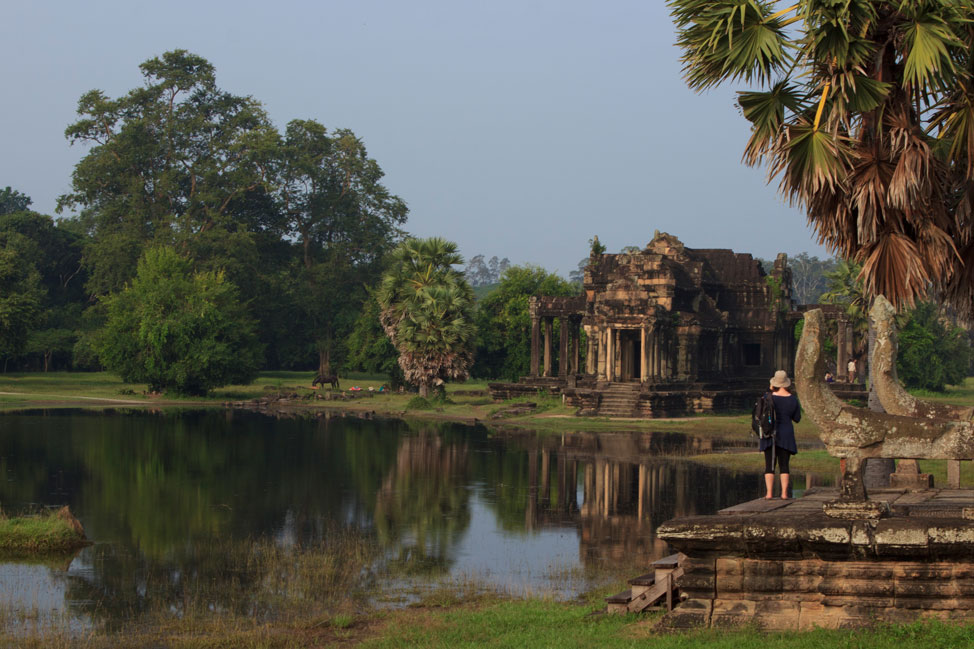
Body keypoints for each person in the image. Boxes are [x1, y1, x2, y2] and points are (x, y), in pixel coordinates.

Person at [762, 370, 801, 499]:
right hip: (786, 433)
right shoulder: (793, 399)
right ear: (787, 383)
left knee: (769, 465)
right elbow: (797, 418)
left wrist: (771, 390)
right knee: (784, 465)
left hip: (769, 433)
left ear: (774, 384)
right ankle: (784, 493)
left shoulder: (768, 397)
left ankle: (769, 493)